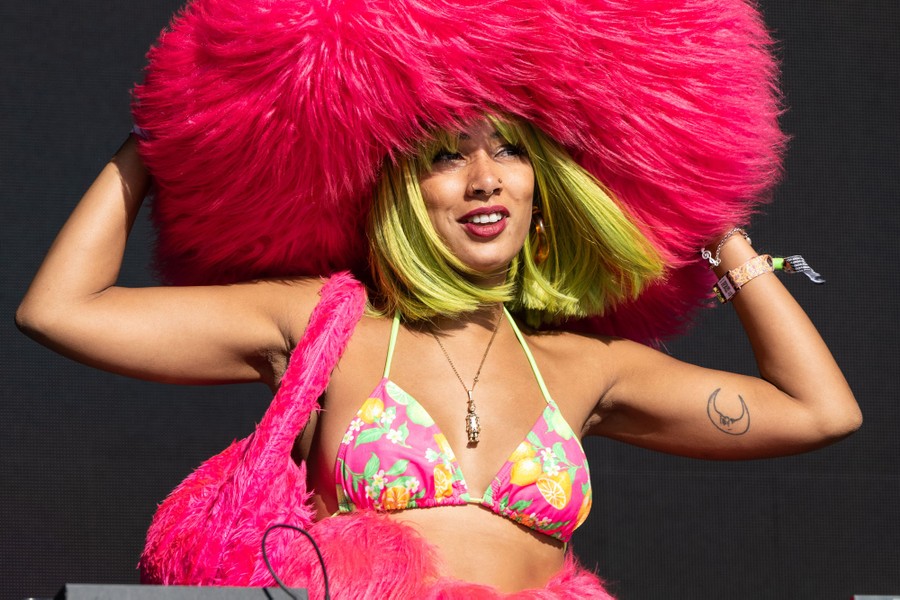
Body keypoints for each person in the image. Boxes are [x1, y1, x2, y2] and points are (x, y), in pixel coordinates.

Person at [16, 0, 860, 597]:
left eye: (509, 153)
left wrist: (718, 229)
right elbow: (61, 308)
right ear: (401, 192)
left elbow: (819, 412)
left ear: (543, 189)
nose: (485, 178)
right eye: (446, 156)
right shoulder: (325, 320)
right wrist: (166, 137)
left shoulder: (588, 365)